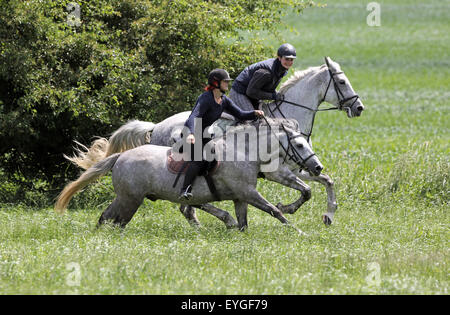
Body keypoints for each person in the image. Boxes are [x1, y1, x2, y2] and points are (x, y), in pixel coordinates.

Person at [180, 69, 265, 200]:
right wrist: (191, 134)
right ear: (215, 83)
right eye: (225, 81)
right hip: (191, 132)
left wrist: (254, 113)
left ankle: (203, 186)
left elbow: (240, 114)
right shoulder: (206, 98)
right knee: (199, 158)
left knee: (213, 156)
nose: (227, 84)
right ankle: (185, 189)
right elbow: (193, 117)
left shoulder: (224, 100)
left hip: (204, 134)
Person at [229, 43, 297, 112]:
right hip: (239, 92)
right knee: (253, 118)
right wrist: (273, 96)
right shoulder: (266, 72)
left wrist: (277, 95)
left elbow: (268, 89)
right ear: (279, 57)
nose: (289, 62)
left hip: (251, 96)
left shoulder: (282, 71)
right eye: (287, 59)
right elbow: (250, 92)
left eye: (291, 60)